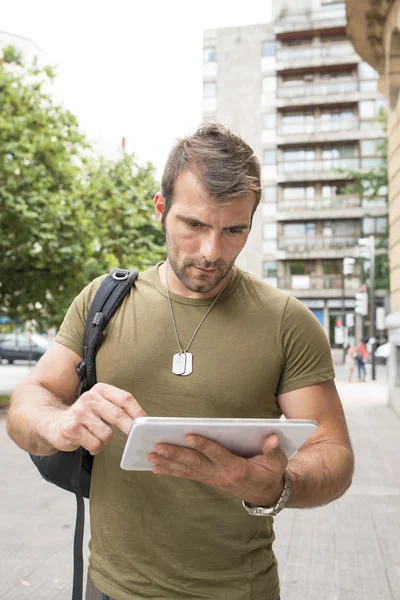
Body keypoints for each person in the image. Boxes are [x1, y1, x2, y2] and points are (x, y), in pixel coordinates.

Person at [6, 122, 354, 600]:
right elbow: (30, 398)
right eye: (194, 225)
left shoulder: (287, 322)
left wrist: (280, 483)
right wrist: (57, 424)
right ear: (161, 209)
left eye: (234, 230)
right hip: (110, 587)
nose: (212, 251)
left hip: (238, 591)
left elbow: (334, 453)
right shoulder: (103, 300)